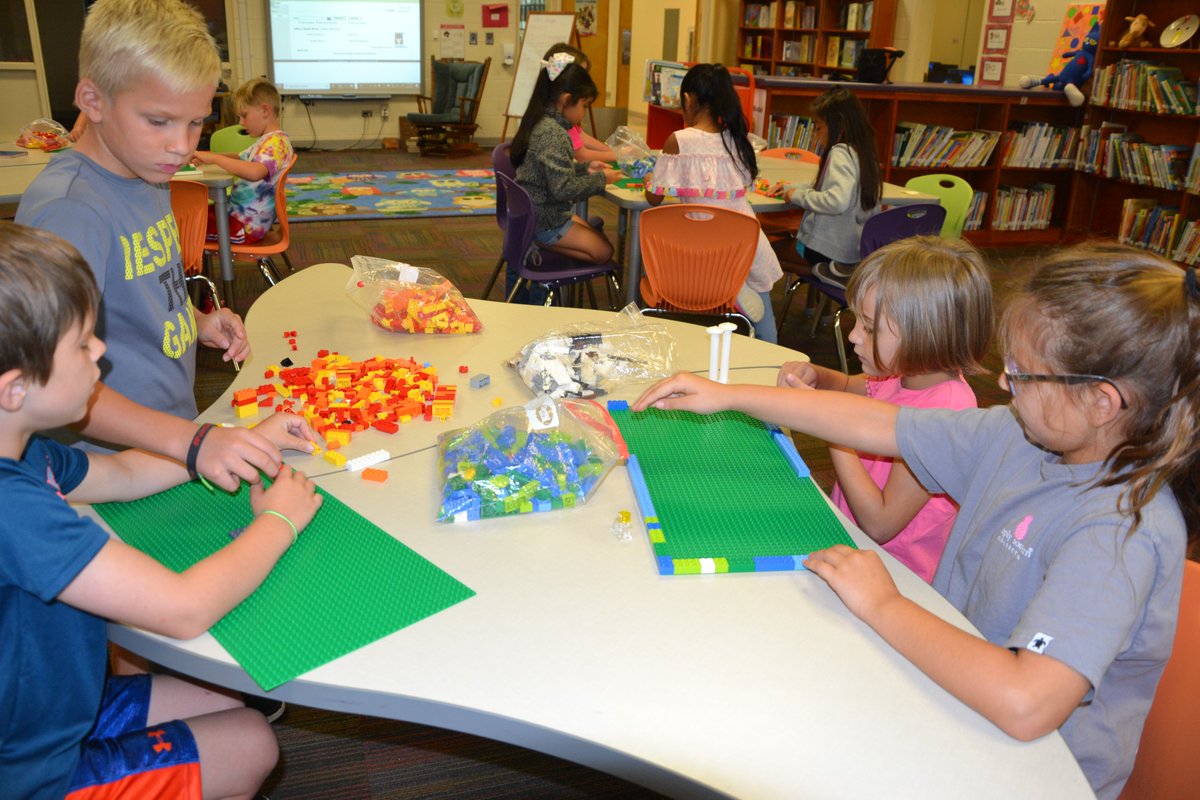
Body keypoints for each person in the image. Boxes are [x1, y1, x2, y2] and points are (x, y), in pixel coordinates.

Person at [634, 241, 1200, 800]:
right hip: (951, 701)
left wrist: (884, 603)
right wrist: (732, 396)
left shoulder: (1121, 531)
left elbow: (1027, 703)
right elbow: (879, 424)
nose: (1002, 385)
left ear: (1102, 402)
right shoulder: (1019, 436)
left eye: (1024, 375)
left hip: (1030, 772)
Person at [0, 222, 323, 799]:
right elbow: (183, 608)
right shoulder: (11, 509)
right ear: (15, 388)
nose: (100, 350)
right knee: (252, 741)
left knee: (225, 697)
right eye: (81, 344)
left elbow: (122, 475)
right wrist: (278, 521)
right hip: (29, 771)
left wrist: (244, 437)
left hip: (53, 707)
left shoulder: (22, 450)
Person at [15, 0, 300, 490]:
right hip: (104, 468)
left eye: (195, 123)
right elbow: (48, 380)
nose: (182, 146)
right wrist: (190, 443)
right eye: (159, 121)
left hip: (170, 441)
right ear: (93, 100)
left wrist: (197, 321)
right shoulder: (70, 213)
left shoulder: (147, 174)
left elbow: (140, 290)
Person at [776, 236, 992, 581]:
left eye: (871, 328)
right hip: (851, 544)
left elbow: (880, 523)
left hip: (895, 577)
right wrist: (817, 375)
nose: (853, 337)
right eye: (858, 321)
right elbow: (848, 386)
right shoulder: (902, 374)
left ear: (925, 333)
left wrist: (832, 427)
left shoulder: (944, 415)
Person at [644, 63, 784, 342]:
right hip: (744, 251)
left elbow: (654, 197)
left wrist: (651, 177)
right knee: (766, 324)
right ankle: (767, 350)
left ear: (688, 99)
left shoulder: (679, 141)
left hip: (700, 260)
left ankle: (727, 295)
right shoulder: (738, 141)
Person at [768, 86, 881, 289]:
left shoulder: (840, 152)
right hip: (850, 251)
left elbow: (836, 201)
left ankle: (827, 273)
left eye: (818, 127)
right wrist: (791, 188)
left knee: (760, 252)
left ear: (838, 124)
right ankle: (830, 273)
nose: (816, 134)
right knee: (777, 254)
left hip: (826, 250)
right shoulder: (863, 154)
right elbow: (827, 190)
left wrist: (796, 196)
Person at [512, 54, 620, 265]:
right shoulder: (554, 134)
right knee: (605, 251)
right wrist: (601, 179)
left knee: (598, 238)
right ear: (565, 100)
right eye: (583, 105)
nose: (583, 114)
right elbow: (563, 189)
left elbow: (552, 172)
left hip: (535, 213)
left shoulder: (542, 120)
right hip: (545, 220)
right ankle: (541, 247)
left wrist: (586, 168)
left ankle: (545, 245)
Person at [191, 77, 294, 245]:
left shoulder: (274, 144)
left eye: (244, 115)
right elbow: (240, 157)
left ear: (265, 111)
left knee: (185, 229)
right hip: (240, 217)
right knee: (193, 215)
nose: (241, 122)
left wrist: (215, 158)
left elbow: (254, 172)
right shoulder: (269, 141)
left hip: (244, 226)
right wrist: (206, 156)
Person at [539, 44, 616, 163]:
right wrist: (619, 156)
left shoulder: (560, 114)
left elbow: (581, 137)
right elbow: (582, 156)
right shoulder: (555, 123)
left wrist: (614, 152)